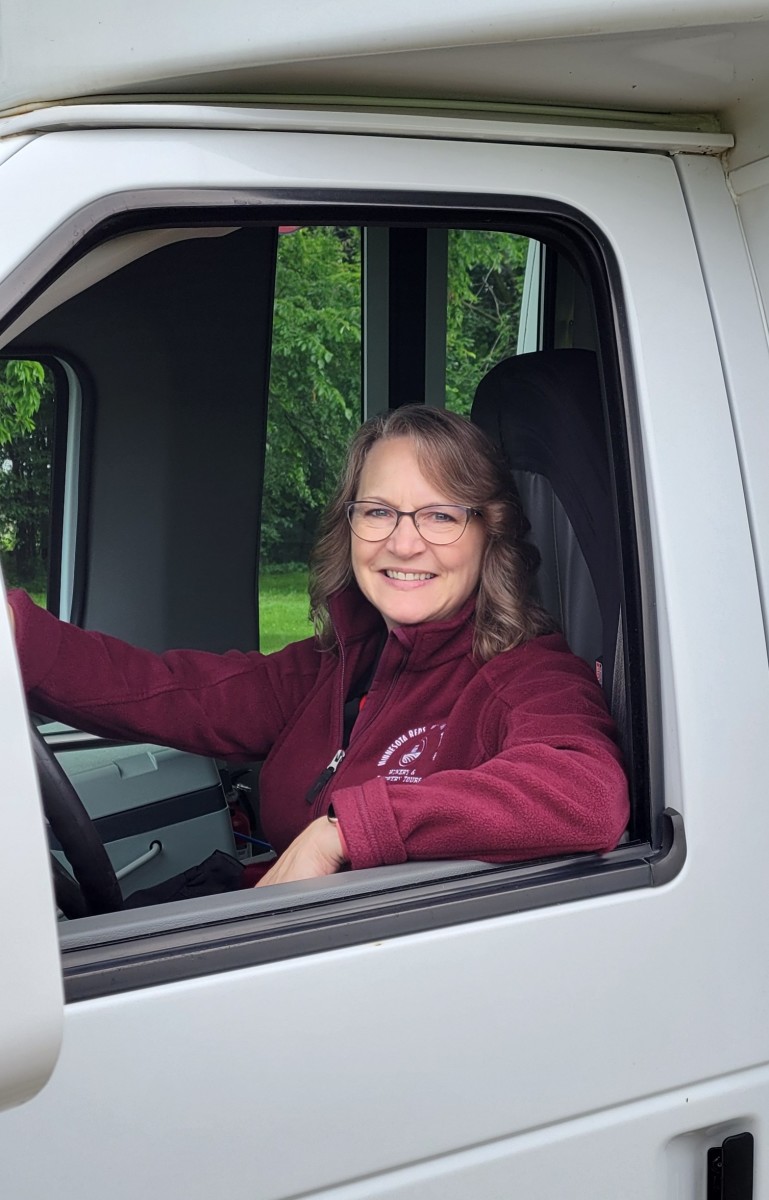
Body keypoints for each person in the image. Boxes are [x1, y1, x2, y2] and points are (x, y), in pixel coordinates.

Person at [7, 405, 629, 889]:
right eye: (378, 511)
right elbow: (170, 692)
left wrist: (344, 831)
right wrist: (18, 637)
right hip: (279, 927)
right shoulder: (337, 662)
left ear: (490, 533)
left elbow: (586, 793)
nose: (403, 543)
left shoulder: (527, 674)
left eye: (441, 515)